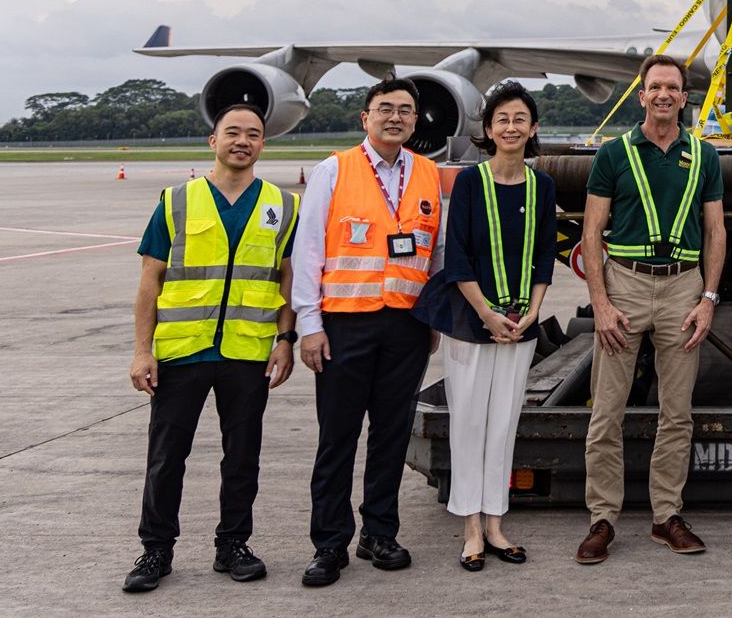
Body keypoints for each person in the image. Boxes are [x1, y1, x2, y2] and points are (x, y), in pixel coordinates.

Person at [122, 103, 298, 593]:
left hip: (248, 351)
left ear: (264, 144)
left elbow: (289, 280)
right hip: (182, 351)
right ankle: (156, 551)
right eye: (233, 132)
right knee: (165, 457)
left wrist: (285, 340)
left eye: (254, 134)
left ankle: (233, 545)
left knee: (242, 456)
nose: (243, 141)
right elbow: (149, 280)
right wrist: (142, 350)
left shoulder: (283, 205)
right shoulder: (177, 200)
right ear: (213, 141)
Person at [293, 77, 444, 586]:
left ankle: (379, 532)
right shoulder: (333, 170)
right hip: (344, 324)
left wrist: (432, 317)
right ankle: (329, 542)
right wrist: (309, 326)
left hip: (406, 326)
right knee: (337, 437)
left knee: (391, 435)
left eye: (405, 110)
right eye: (385, 109)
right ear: (366, 118)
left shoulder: (426, 173)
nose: (395, 117)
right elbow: (309, 250)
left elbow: (435, 254)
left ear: (415, 119)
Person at [575, 53, 725, 565]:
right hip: (625, 286)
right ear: (642, 96)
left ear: (685, 98)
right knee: (606, 412)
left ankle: (666, 516)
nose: (663, 95)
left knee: (676, 414)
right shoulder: (613, 155)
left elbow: (715, 232)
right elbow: (592, 232)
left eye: (672, 88)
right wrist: (601, 301)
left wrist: (708, 299)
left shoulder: (704, 156)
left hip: (682, 286)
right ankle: (602, 519)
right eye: (654, 87)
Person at [439, 84, 557, 570]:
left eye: (520, 119)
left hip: (519, 322)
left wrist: (532, 311)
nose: (511, 127)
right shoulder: (470, 183)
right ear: (488, 130)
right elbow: (457, 253)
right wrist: (486, 312)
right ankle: (469, 526)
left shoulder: (541, 186)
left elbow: (545, 254)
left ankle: (495, 523)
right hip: (472, 320)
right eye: (502, 119)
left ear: (532, 129)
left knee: (504, 423)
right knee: (468, 422)